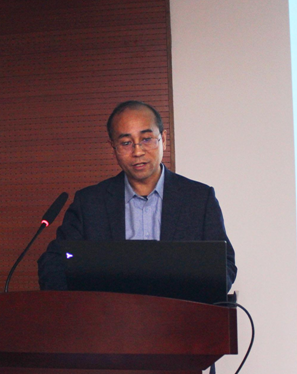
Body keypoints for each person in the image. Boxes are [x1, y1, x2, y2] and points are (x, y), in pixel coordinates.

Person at [38, 100, 237, 292]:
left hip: (179, 312)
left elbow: (224, 265)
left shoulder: (199, 199)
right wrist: (84, 304)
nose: (138, 151)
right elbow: (55, 263)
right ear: (113, 148)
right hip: (109, 312)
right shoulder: (89, 203)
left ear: (163, 139)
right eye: (126, 142)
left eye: (146, 139)